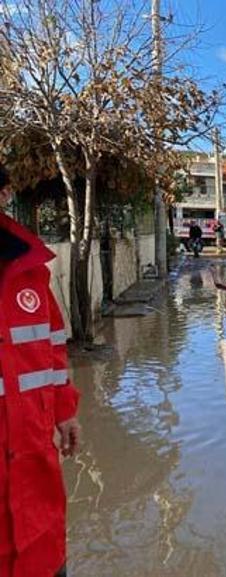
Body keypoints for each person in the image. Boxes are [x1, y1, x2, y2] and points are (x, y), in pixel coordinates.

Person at [0, 165, 81, 576]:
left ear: (4, 194)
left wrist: (65, 411)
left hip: (35, 474)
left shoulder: (31, 271)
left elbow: (51, 349)